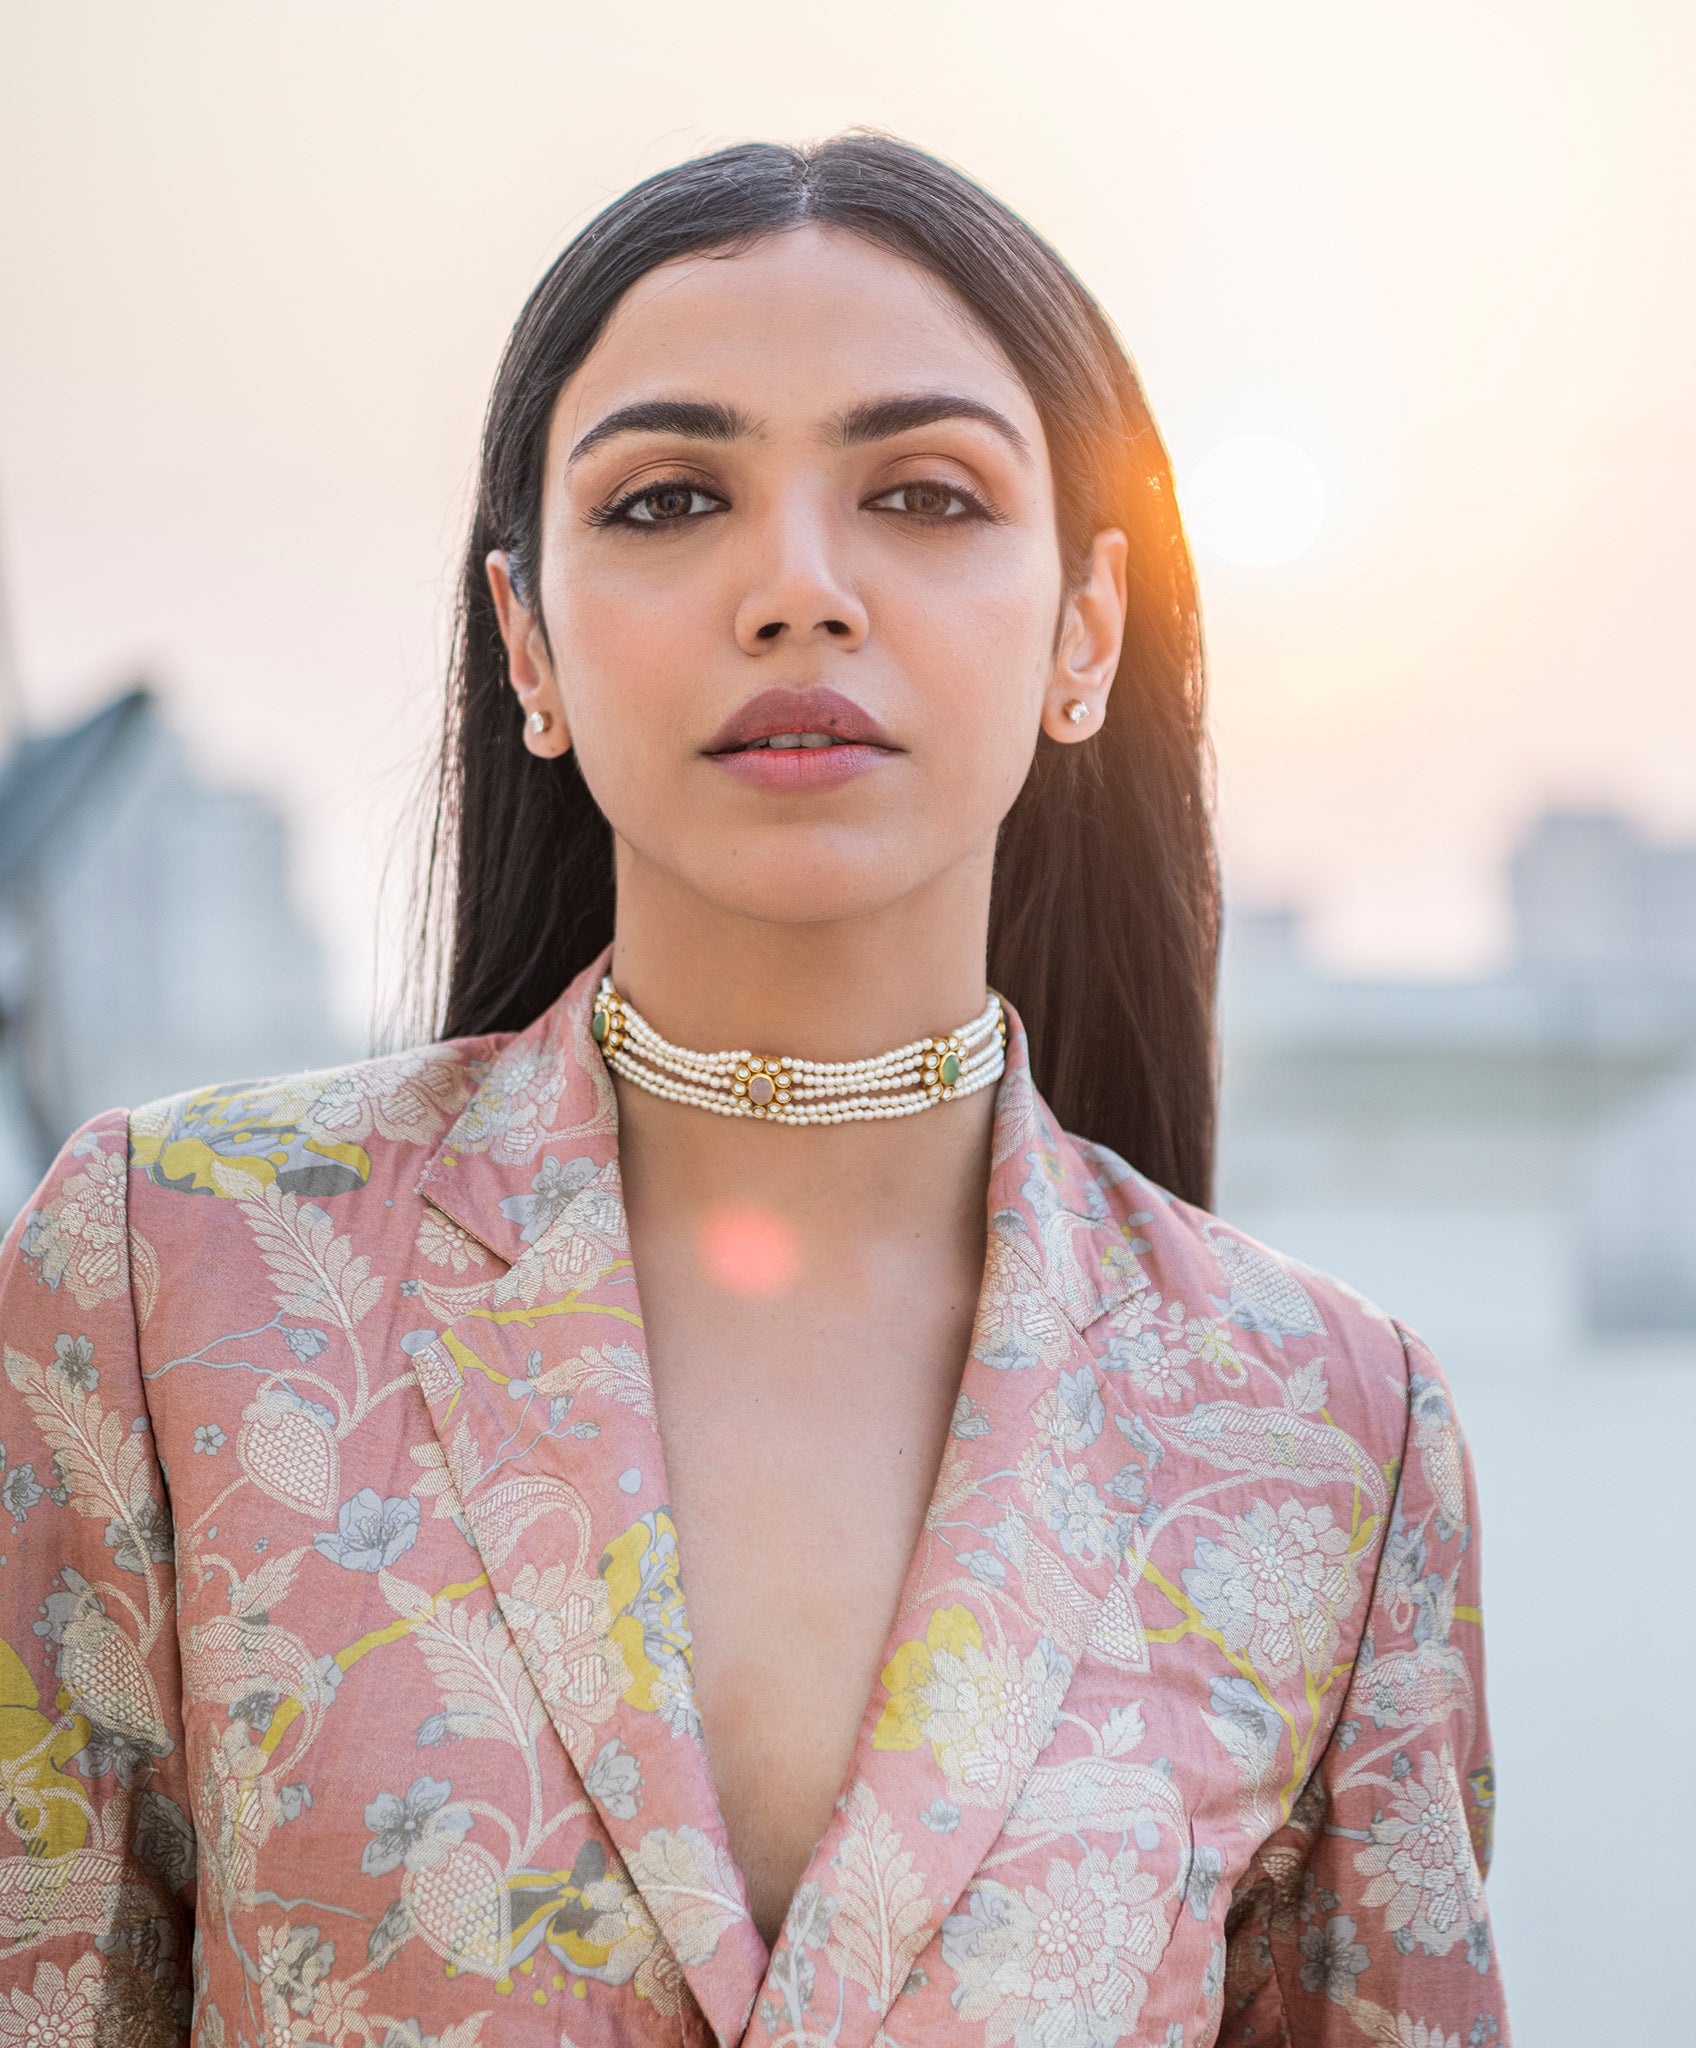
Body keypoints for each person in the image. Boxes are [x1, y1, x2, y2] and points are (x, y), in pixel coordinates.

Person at [0, 137, 1506, 2047]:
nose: (798, 589)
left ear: (1085, 631)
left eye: (927, 494)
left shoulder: (1324, 1432)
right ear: (529, 642)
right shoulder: (169, 1280)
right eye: (671, 499)